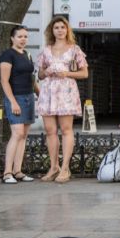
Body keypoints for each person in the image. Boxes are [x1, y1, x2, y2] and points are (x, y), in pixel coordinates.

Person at [37, 15, 89, 184]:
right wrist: (46, 72)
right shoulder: (46, 49)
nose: (59, 30)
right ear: (52, 31)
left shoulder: (74, 49)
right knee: (50, 130)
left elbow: (84, 73)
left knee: (66, 129)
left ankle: (65, 168)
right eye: (56, 27)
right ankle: (54, 167)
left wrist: (67, 73)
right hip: (48, 91)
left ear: (67, 30)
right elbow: (40, 73)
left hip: (66, 91)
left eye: (62, 27)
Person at [0, 25, 36, 184]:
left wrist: (40, 94)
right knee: (17, 133)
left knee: (24, 135)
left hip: (29, 97)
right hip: (15, 98)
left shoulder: (27, 54)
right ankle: (7, 173)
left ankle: (18, 171)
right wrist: (13, 102)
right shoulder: (8, 54)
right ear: (12, 38)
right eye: (20, 36)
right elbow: (4, 81)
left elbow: (32, 78)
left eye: (25, 37)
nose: (23, 39)